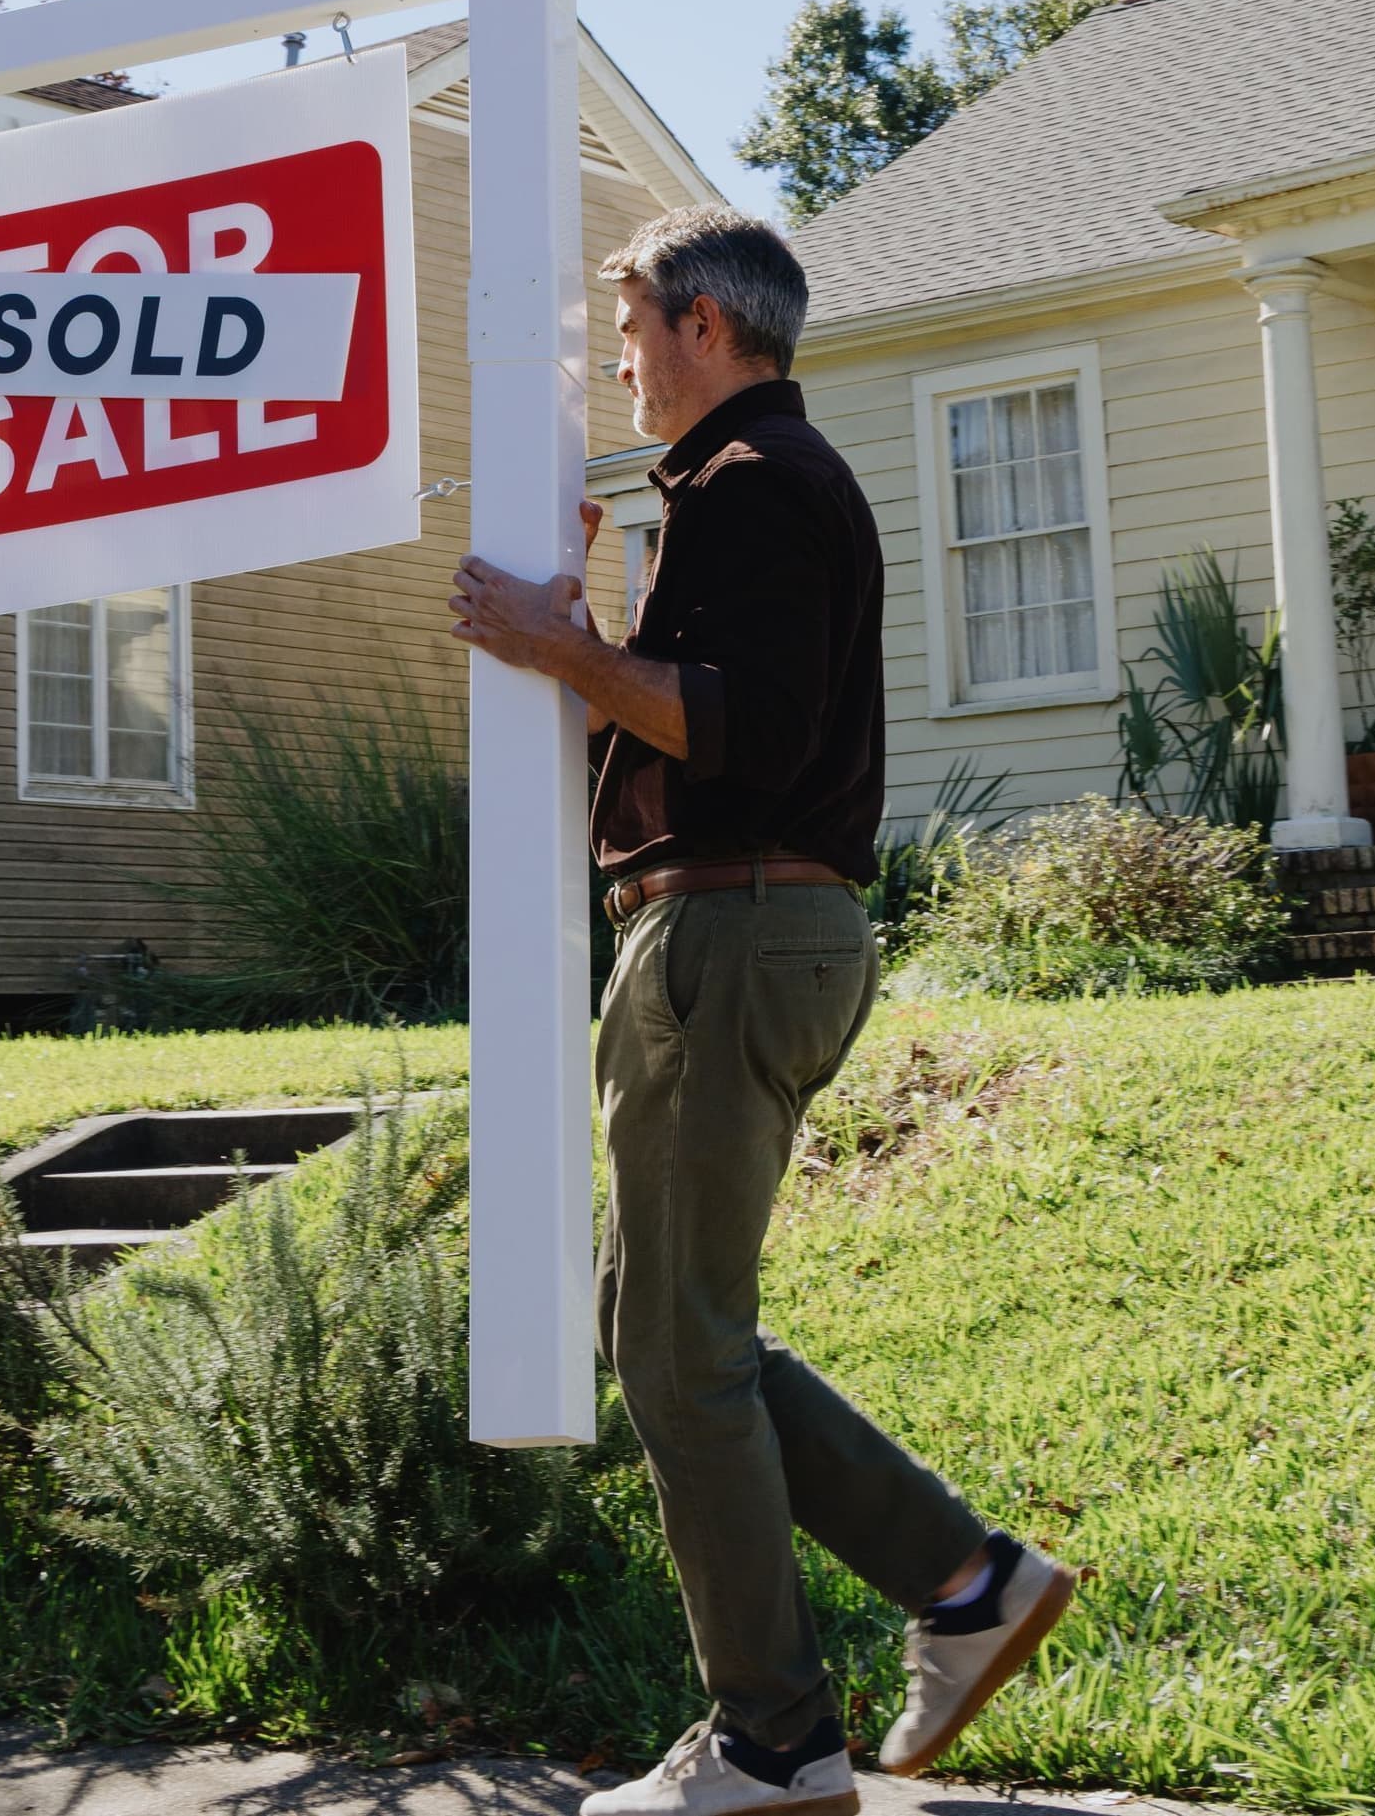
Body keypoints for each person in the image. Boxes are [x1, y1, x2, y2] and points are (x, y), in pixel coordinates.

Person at [452, 206, 1074, 1816]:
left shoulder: (756, 486)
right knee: (666, 1331)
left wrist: (550, 641)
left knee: (675, 1352)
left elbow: (736, 729)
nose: (620, 354)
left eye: (632, 321)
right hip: (743, 923)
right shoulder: (741, 494)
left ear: (707, 325)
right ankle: (964, 1581)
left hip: (733, 926)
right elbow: (688, 726)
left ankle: (777, 1737)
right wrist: (586, 635)